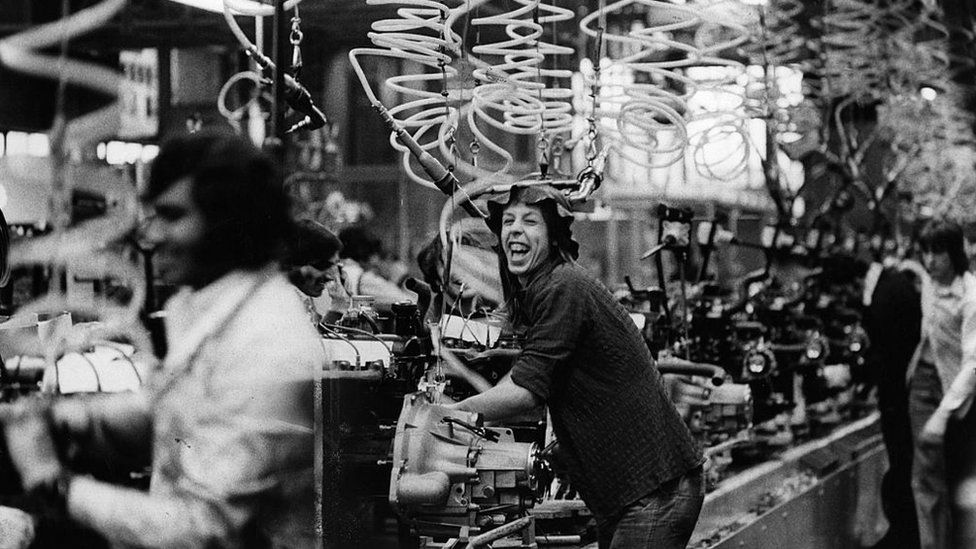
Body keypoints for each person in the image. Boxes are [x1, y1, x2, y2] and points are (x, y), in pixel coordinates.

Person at [0, 131, 324, 547]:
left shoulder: (267, 342)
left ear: (228, 222)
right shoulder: (208, 306)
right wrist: (70, 420)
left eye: (171, 217)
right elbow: (179, 414)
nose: (150, 237)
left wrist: (56, 485)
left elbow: (205, 528)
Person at [446, 184, 704, 549]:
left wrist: (447, 417)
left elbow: (526, 392)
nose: (515, 230)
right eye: (508, 222)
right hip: (633, 494)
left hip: (654, 491)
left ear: (553, 237)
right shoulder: (546, 288)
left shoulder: (563, 287)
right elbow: (534, 368)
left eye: (530, 221)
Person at [907, 219, 976, 549]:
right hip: (923, 383)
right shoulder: (927, 282)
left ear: (954, 253)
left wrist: (943, 413)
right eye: (925, 252)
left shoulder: (971, 297)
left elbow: (972, 365)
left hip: (961, 394)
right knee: (926, 478)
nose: (930, 261)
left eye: (938, 252)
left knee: (963, 481)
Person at [862, 238, 923, 549]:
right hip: (904, 392)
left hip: (901, 393)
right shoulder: (897, 285)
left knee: (902, 461)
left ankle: (904, 534)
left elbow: (889, 348)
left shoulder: (888, 290)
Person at [284, 218, 344, 325]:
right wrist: (337, 308)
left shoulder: (304, 297)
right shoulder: (282, 301)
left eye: (336, 267)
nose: (331, 276)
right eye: (324, 266)